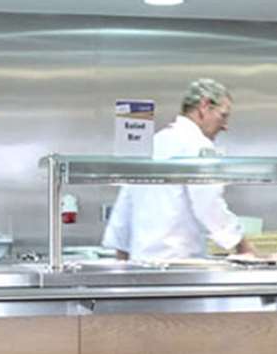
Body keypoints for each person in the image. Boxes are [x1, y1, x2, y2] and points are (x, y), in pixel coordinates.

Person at [102, 78, 254, 261]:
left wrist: (123, 261)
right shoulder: (198, 146)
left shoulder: (154, 143)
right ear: (204, 106)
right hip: (179, 265)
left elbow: (124, 207)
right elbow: (209, 205)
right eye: (223, 115)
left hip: (140, 265)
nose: (225, 126)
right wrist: (243, 247)